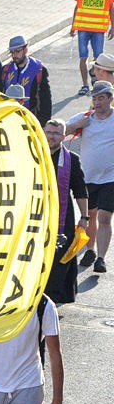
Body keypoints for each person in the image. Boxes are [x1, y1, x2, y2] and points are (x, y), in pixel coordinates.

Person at [66, 80, 114, 273]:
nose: (97, 102)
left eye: (101, 98)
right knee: (90, 215)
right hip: (87, 178)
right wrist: (78, 125)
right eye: (94, 98)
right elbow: (57, 133)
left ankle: (101, 258)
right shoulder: (85, 118)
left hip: (110, 178)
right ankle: (90, 250)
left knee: (104, 216)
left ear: (110, 98)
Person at [43, 119, 90, 302]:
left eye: (56, 133)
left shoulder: (71, 159)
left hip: (63, 216)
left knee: (62, 255)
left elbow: (80, 190)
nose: (51, 137)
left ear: (63, 136)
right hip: (37, 214)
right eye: (49, 132)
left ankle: (53, 296)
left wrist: (84, 217)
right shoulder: (33, 155)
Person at [71, 0, 114, 95]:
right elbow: (77, 7)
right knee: (83, 57)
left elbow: (111, 7)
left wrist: (113, 26)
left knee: (98, 58)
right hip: (83, 27)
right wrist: (73, 26)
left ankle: (97, 84)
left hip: (98, 30)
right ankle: (85, 85)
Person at [2, 35, 52, 124]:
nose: (14, 55)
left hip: (30, 120)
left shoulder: (38, 69)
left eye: (17, 51)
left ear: (26, 49)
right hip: (8, 119)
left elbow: (45, 100)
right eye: (12, 52)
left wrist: (44, 123)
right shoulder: (6, 70)